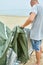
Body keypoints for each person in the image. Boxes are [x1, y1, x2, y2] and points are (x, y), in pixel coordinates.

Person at [21, 0, 43, 65]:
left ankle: (38, 62)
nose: (30, 5)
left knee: (36, 49)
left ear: (32, 2)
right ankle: (40, 55)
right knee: (39, 44)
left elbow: (31, 19)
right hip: (41, 32)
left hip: (36, 33)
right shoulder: (42, 7)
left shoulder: (35, 6)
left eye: (30, 3)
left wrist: (23, 26)